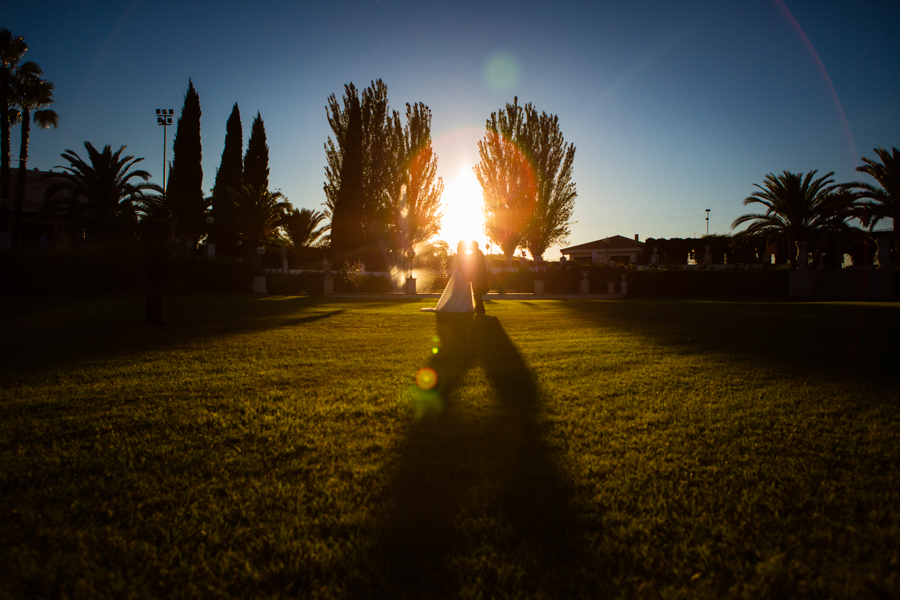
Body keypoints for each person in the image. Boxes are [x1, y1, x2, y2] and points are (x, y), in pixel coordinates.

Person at [141, 207, 176, 325]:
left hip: (153, 261)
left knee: (153, 290)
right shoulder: (156, 228)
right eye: (167, 218)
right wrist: (172, 228)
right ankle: (155, 317)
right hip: (157, 262)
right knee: (157, 289)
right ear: (161, 216)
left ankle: (152, 317)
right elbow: (169, 241)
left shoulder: (149, 226)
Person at [421, 241, 475, 312]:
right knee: (458, 290)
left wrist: (468, 273)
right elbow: (459, 266)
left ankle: (465, 305)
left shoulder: (465, 254)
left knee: (465, 290)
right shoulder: (458, 255)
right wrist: (464, 274)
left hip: (466, 273)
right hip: (460, 274)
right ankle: (457, 305)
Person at [469, 241, 489, 313]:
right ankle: (479, 307)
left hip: (477, 277)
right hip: (478, 277)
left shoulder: (476, 253)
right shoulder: (478, 252)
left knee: (477, 293)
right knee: (477, 293)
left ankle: (480, 308)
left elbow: (474, 265)